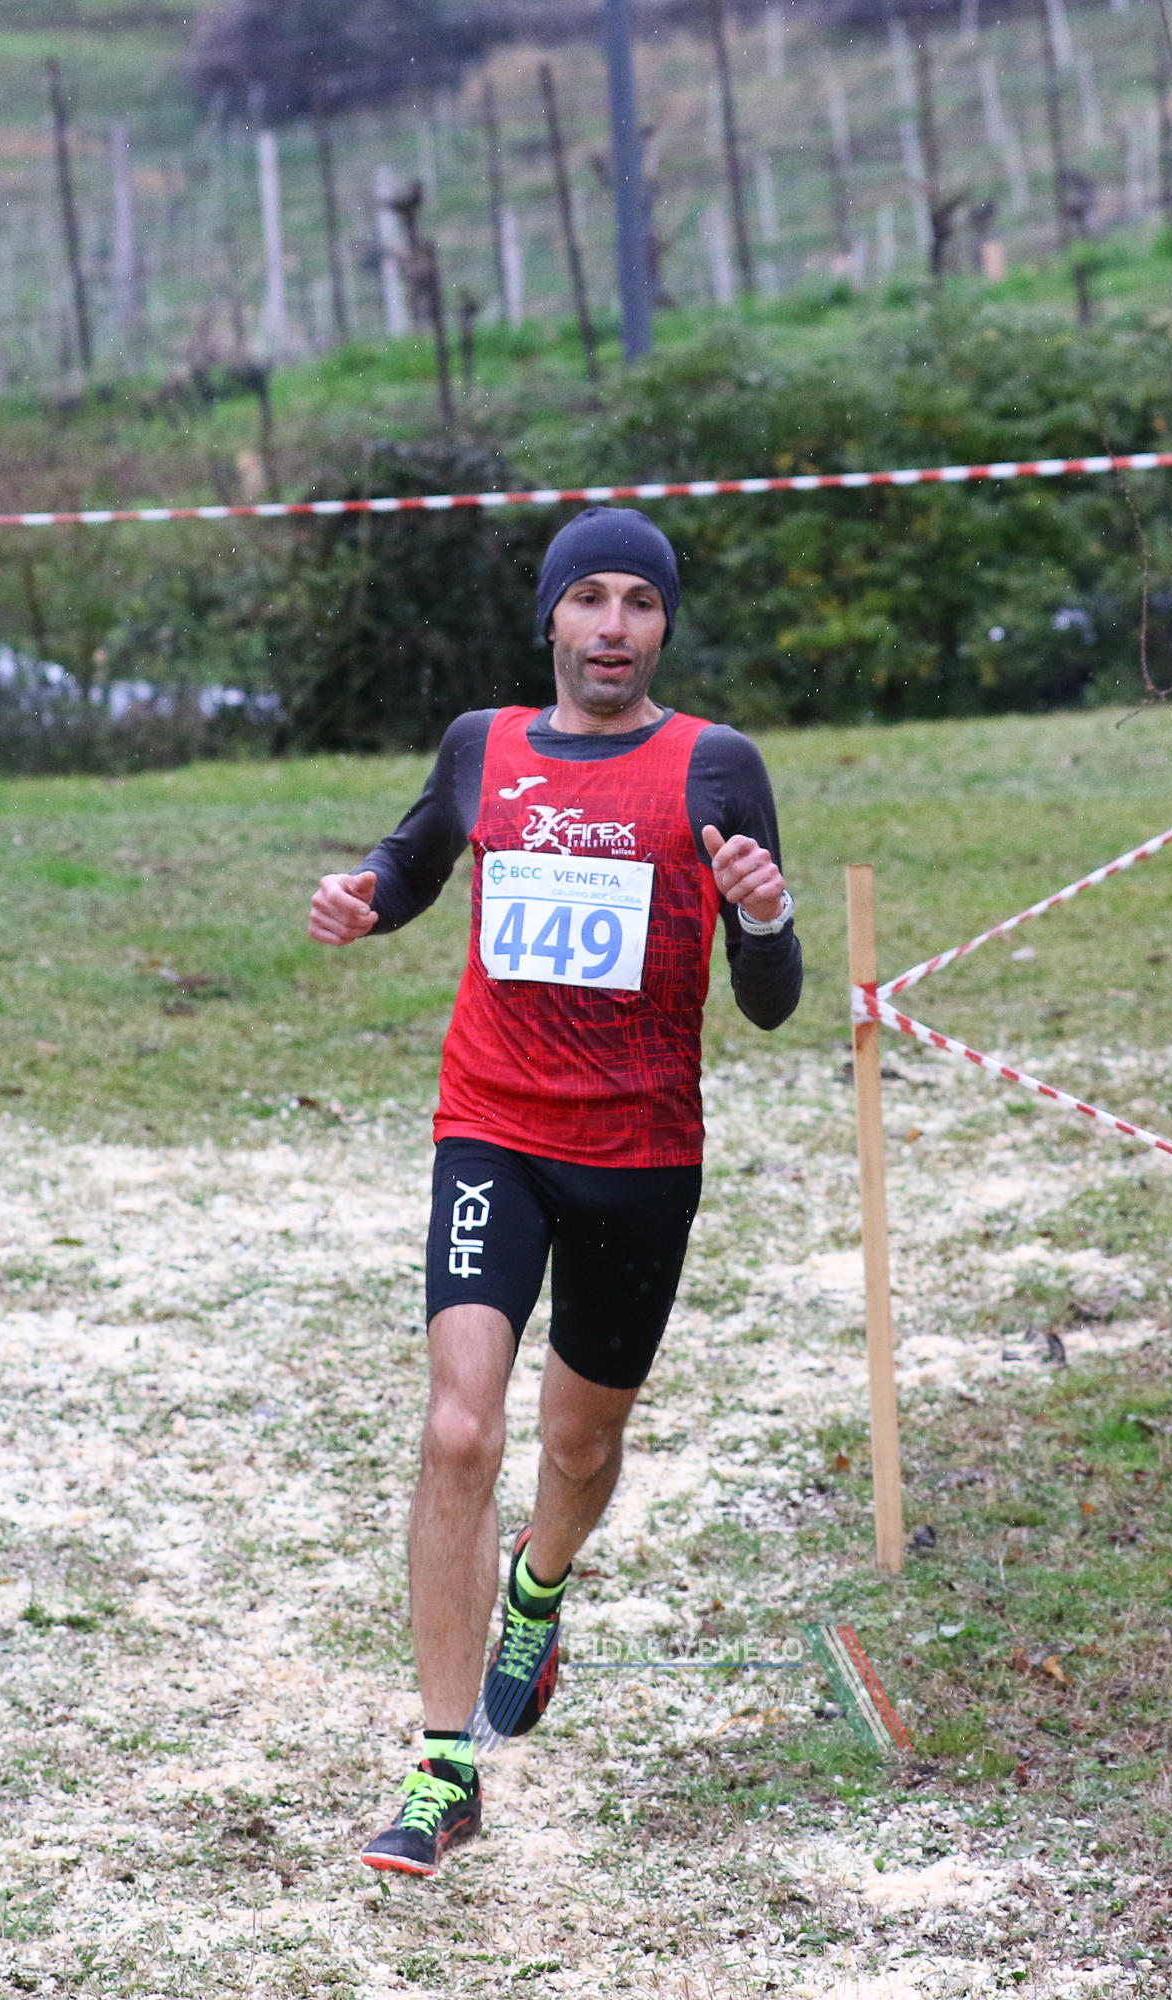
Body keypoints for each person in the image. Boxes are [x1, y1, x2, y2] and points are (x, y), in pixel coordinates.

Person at [305, 506, 804, 1878]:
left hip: (641, 1156)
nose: (612, 626)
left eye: (639, 601)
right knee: (459, 1426)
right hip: (494, 1129)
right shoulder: (485, 744)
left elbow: (769, 999)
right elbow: (414, 861)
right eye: (589, 598)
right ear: (551, 618)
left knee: (579, 1448)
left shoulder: (715, 764)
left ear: (664, 626)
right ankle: (443, 1765)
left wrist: (765, 914)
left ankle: (539, 1583)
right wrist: (362, 896)